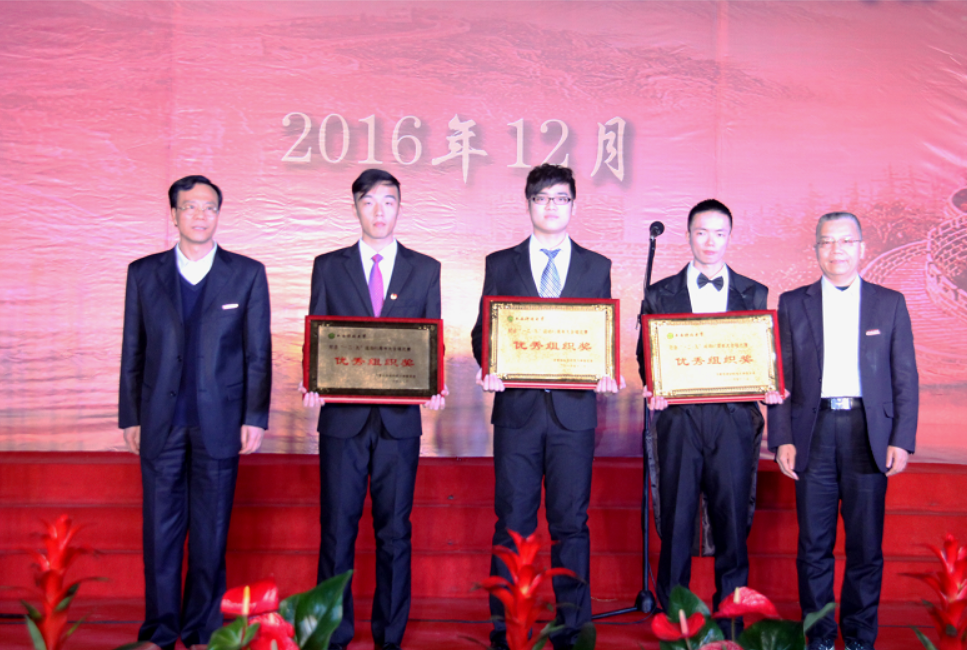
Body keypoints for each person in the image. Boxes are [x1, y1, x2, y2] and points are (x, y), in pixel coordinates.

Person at [471, 163, 622, 650]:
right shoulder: (501, 263)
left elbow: (599, 335)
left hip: (573, 416)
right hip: (517, 413)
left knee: (571, 525)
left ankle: (573, 632)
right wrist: (489, 365)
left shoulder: (596, 266)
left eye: (560, 198)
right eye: (542, 197)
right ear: (528, 203)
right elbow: (483, 332)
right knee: (512, 525)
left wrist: (604, 369)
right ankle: (507, 631)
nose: (551, 206)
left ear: (574, 205)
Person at [119, 175, 272, 649]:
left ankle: (203, 630)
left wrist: (255, 416)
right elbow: (132, 350)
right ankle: (160, 631)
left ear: (219, 214)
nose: (200, 215)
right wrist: (130, 415)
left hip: (220, 423)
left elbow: (258, 354)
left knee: (211, 532)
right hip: (159, 421)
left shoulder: (246, 273)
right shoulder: (144, 273)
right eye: (189, 207)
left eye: (209, 207)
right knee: (160, 534)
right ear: (173, 215)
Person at [301, 168, 446, 650]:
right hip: (342, 420)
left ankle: (390, 636)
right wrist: (312, 379)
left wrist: (434, 382)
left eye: (388, 201)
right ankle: (330, 634)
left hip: (399, 423)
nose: (379, 211)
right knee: (336, 531)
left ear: (400, 207)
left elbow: (430, 336)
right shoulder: (329, 266)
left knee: (395, 532)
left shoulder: (425, 268)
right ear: (355, 207)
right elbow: (318, 331)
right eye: (369, 202)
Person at [767, 212, 919, 650]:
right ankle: (818, 636)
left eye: (846, 241)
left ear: (862, 248)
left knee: (865, 546)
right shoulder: (792, 303)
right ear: (816, 249)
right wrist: (782, 437)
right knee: (814, 545)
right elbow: (781, 376)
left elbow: (905, 376)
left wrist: (901, 438)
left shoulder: (889, 303)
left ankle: (858, 637)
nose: (837, 250)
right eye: (827, 242)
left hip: (867, 432)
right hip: (811, 431)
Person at [637, 199, 780, 637]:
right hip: (678, 421)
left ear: (730, 237)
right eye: (702, 232)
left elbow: (764, 356)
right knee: (677, 522)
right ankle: (674, 625)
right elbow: (645, 354)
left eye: (720, 233)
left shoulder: (754, 293)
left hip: (734, 420)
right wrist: (654, 385)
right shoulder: (659, 293)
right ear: (688, 236)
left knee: (732, 523)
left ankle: (731, 626)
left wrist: (769, 381)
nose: (711, 241)